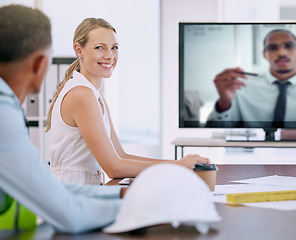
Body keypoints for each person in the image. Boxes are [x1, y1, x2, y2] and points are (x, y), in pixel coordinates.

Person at [0, 4, 128, 237]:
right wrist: (135, 206)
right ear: (41, 63)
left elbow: (46, 187)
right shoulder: (3, 114)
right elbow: (69, 213)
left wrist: (116, 195)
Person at [45, 18, 209, 185]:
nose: (109, 56)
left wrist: (177, 164)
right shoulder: (81, 94)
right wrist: (177, 166)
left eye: (114, 48)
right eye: (99, 47)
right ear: (78, 50)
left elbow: (120, 156)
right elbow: (113, 167)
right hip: (69, 197)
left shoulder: (95, 96)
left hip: (82, 194)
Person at [207, 29, 296, 128]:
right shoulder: (240, 86)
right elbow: (217, 132)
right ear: (264, 55)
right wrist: (223, 103)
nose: (281, 52)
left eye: (289, 46)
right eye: (273, 48)